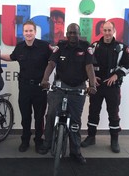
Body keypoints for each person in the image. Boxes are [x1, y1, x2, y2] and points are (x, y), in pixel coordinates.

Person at [37, 23, 97, 165]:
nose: (71, 35)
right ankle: (47, 143)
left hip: (78, 88)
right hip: (60, 86)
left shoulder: (85, 47)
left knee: (75, 121)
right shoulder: (61, 46)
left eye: (74, 33)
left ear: (79, 33)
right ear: (66, 33)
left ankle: (75, 151)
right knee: (51, 114)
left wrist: (92, 85)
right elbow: (51, 64)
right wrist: (45, 80)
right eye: (69, 33)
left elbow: (89, 66)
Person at [81, 21, 129, 153]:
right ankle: (91, 136)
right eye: (105, 30)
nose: (107, 33)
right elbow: (85, 64)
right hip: (97, 86)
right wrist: (92, 77)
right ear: (101, 30)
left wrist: (117, 75)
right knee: (93, 111)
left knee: (113, 113)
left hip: (113, 87)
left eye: (109, 30)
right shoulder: (94, 46)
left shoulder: (121, 48)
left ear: (114, 31)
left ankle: (114, 140)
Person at [1, 20, 53, 153]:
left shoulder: (44, 46)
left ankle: (38, 141)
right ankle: (25, 140)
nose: (28, 33)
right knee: (25, 116)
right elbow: (11, 57)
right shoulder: (19, 47)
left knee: (39, 116)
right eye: (26, 31)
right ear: (23, 33)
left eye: (31, 31)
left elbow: (53, 61)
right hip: (24, 87)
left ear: (35, 32)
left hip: (40, 88)